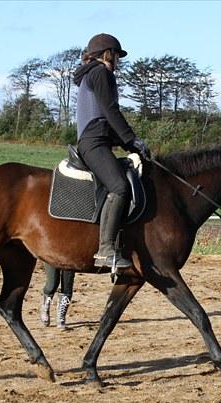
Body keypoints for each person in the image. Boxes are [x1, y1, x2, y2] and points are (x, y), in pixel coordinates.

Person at [73, 33, 151, 269]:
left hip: (98, 139)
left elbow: (105, 119)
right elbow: (110, 111)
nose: (118, 60)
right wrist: (132, 140)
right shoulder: (101, 73)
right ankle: (106, 248)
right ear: (109, 53)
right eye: (117, 55)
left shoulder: (92, 74)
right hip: (93, 143)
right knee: (119, 186)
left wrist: (130, 144)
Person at [39, 262, 75, 330]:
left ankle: (61, 318)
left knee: (67, 285)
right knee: (52, 284)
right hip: (52, 255)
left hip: (70, 256)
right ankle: (45, 306)